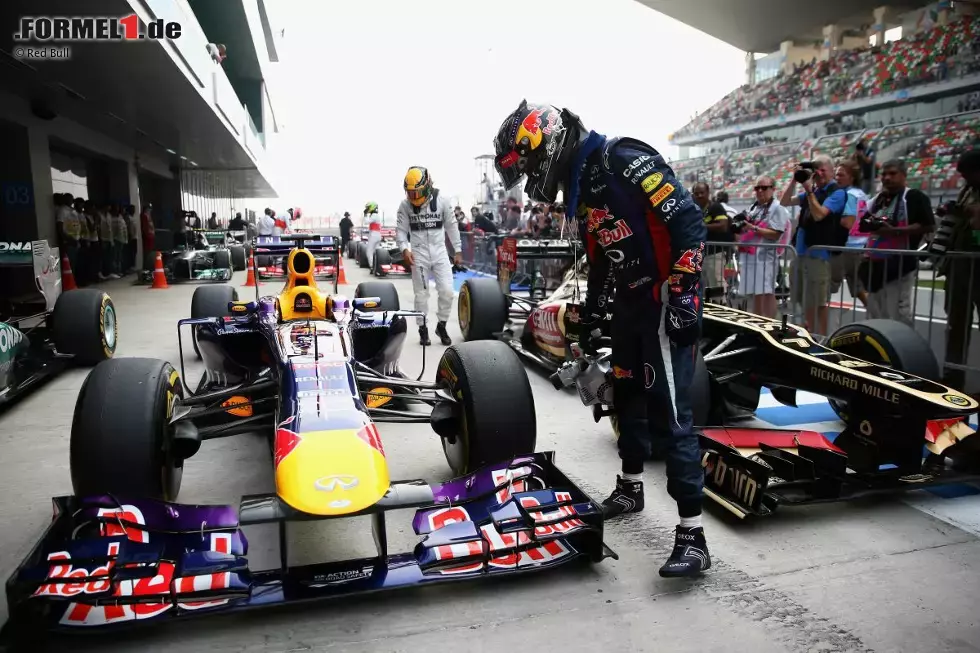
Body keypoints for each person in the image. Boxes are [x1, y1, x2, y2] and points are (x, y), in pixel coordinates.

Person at [493, 100, 709, 577]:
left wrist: (685, 294)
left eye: (527, 162)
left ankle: (693, 535)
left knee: (673, 417)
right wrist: (593, 315)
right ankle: (631, 487)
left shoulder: (623, 159)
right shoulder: (584, 187)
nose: (530, 175)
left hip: (661, 301)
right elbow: (603, 257)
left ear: (546, 141)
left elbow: (690, 224)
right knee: (626, 397)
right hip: (630, 307)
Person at [858, 159, 933, 326]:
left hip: (899, 265)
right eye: (884, 174)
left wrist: (895, 231)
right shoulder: (879, 199)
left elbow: (928, 224)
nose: (887, 178)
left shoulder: (913, 197)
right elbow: (862, 223)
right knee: (875, 313)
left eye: (892, 174)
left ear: (904, 175)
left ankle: (902, 348)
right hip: (875, 264)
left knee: (897, 314)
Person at [780, 155, 848, 335]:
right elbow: (784, 202)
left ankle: (821, 339)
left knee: (818, 302)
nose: (819, 174)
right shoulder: (814, 191)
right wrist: (795, 180)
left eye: (823, 170)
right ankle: (810, 335)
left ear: (833, 172)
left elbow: (819, 215)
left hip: (819, 255)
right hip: (801, 253)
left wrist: (809, 190)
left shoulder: (837, 193)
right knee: (804, 300)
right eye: (817, 170)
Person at [397, 167, 461, 346]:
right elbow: (401, 232)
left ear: (426, 186)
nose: (413, 196)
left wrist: (458, 249)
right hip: (418, 254)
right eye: (410, 192)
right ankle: (422, 328)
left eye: (416, 192)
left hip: (440, 252)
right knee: (421, 295)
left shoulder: (442, 201)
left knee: (447, 291)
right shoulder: (404, 206)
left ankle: (441, 325)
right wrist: (404, 249)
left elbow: (452, 226)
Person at [941, 150, 980, 391]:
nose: (965, 178)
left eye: (968, 174)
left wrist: (968, 212)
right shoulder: (968, 190)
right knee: (956, 324)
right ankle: (953, 378)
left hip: (977, 263)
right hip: (961, 264)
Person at [735, 176, 792, 317]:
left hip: (766, 257)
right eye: (757, 188)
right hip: (751, 256)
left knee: (767, 292)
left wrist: (752, 228)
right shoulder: (754, 208)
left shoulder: (778, 208)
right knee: (756, 293)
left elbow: (775, 234)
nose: (760, 191)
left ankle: (770, 324)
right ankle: (757, 322)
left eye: (764, 188)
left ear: (773, 189)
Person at [363, 201, 382, 271]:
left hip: (373, 236)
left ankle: (371, 266)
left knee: (369, 252)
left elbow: (366, 222)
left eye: (368, 208)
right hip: (378, 235)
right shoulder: (376, 215)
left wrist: (365, 215)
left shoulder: (374, 215)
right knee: (375, 252)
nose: (367, 209)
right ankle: (376, 266)